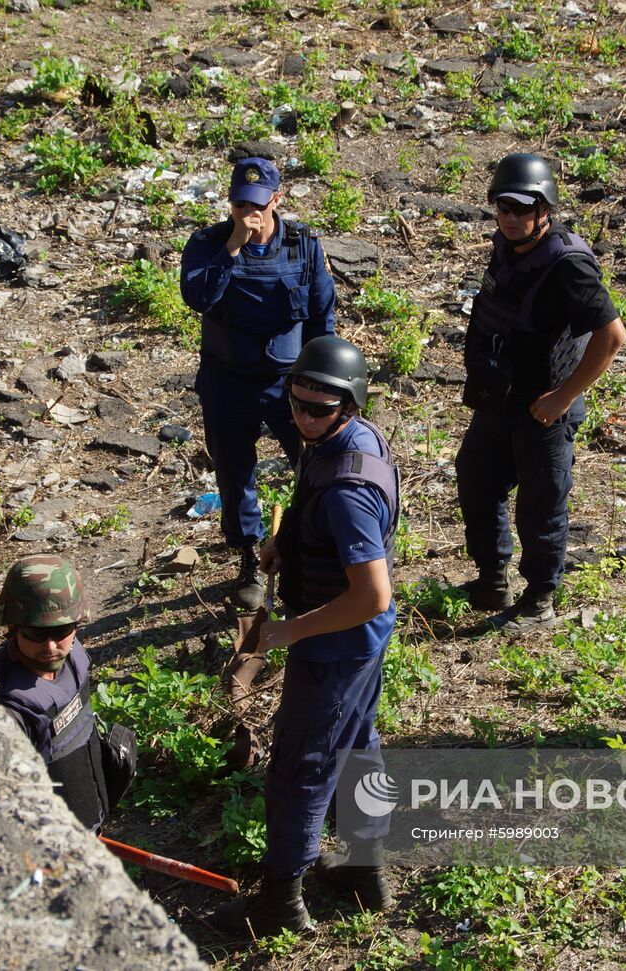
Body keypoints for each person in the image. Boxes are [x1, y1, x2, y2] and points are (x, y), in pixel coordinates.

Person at [213, 336, 399, 936]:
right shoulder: (348, 441)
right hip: (359, 639)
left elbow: (372, 593)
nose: (302, 417)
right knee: (357, 745)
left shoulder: (348, 494)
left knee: (300, 766)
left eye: (318, 409)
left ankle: (280, 904)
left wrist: (289, 631)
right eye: (295, 404)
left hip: (337, 640)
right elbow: (310, 502)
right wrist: (282, 544)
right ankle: (365, 873)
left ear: (350, 404)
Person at [456, 153, 626, 632]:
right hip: (499, 399)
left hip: (544, 408)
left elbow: (612, 336)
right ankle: (492, 579)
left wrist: (564, 397)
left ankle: (540, 598)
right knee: (477, 480)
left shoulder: (568, 264)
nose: (511, 218)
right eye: (503, 208)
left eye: (522, 209)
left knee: (542, 502)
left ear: (544, 209)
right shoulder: (508, 247)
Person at [180, 157, 337, 610]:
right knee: (234, 473)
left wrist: (324, 383)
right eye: (238, 204)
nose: (248, 213)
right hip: (228, 381)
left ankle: (312, 546)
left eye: (256, 205)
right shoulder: (209, 243)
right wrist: (232, 246)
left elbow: (321, 318)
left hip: (290, 382)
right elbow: (197, 297)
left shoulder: (304, 244)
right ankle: (249, 554)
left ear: (276, 200)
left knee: (316, 465)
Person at [0, 555, 136, 831]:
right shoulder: (5, 709)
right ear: (12, 629)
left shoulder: (75, 656)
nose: (51, 645)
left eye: (61, 630)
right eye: (36, 633)